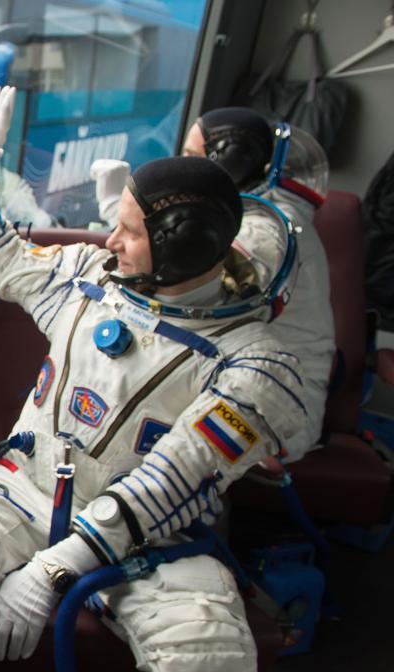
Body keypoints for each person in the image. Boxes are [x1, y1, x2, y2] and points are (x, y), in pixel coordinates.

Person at [0, 88, 307, 672]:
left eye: (130, 229)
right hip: (21, 491)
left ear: (182, 244)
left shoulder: (257, 363)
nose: (109, 238)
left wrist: (58, 567)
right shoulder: (83, 276)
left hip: (158, 541)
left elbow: (171, 482)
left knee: (210, 665)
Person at [91, 107, 334, 461]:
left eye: (192, 158)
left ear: (228, 164)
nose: (182, 165)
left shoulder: (263, 234)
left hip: (276, 403)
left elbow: (186, 291)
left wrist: (120, 209)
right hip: (243, 374)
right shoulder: (250, 213)